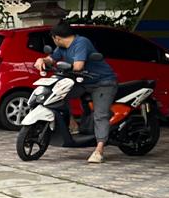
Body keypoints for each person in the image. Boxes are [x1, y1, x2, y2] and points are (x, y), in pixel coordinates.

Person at [35, 21, 118, 164]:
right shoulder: (62, 47)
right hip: (83, 82)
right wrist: (42, 60)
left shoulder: (81, 42)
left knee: (100, 114)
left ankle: (99, 150)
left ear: (56, 38)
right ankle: (72, 124)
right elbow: (51, 59)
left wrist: (61, 66)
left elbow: (78, 66)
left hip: (103, 82)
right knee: (58, 94)